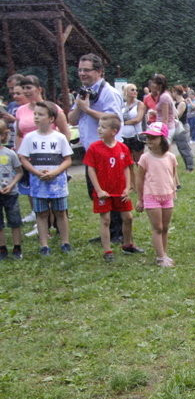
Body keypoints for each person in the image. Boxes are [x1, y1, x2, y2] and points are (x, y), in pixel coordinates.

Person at [67, 53, 124, 243]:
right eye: (80, 70)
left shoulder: (109, 93)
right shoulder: (83, 92)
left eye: (87, 70)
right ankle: (108, 230)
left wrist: (87, 109)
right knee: (95, 191)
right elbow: (71, 120)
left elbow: (115, 121)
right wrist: (79, 105)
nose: (82, 73)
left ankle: (117, 232)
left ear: (99, 71)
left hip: (109, 151)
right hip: (91, 151)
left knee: (110, 191)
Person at [84, 114, 143, 261]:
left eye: (103, 127)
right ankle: (107, 251)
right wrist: (98, 190)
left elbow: (126, 168)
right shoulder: (94, 148)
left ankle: (127, 244)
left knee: (128, 217)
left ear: (114, 131)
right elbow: (91, 169)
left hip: (120, 191)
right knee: (106, 220)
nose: (99, 129)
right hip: (104, 192)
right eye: (99, 126)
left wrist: (127, 187)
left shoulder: (122, 148)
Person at [17, 101, 73, 255]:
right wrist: (35, 172)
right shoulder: (29, 138)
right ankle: (44, 244)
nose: (36, 117)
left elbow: (67, 159)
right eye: (35, 114)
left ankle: (65, 242)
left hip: (57, 184)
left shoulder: (59, 138)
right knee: (41, 214)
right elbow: (23, 158)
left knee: (60, 212)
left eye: (40, 114)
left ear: (51, 119)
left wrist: (55, 173)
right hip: (38, 183)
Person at [135, 122, 179, 267]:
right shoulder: (145, 158)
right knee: (157, 227)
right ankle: (160, 257)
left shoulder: (171, 157)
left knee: (165, 227)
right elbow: (139, 178)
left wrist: (173, 191)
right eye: (148, 138)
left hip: (167, 196)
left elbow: (172, 175)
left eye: (153, 138)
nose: (149, 141)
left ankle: (163, 253)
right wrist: (140, 199)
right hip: (151, 196)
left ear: (163, 139)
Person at [0, 119, 23, 260]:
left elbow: (19, 171)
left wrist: (11, 184)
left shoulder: (10, 154)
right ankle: (2, 248)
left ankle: (17, 247)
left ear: (3, 135)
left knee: (15, 221)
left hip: (11, 193)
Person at [170, 85, 194, 172]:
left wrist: (172, 106)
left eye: (173, 92)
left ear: (176, 92)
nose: (172, 94)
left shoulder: (182, 103)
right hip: (177, 127)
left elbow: (177, 115)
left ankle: (190, 167)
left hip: (182, 127)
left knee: (184, 148)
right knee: (181, 148)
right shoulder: (175, 102)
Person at [120, 83, 146, 163]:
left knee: (139, 161)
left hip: (136, 136)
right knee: (127, 162)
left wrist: (123, 123)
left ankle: (141, 176)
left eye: (136, 90)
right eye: (132, 90)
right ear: (126, 92)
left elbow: (137, 119)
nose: (135, 91)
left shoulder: (140, 104)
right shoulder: (122, 105)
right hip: (124, 136)